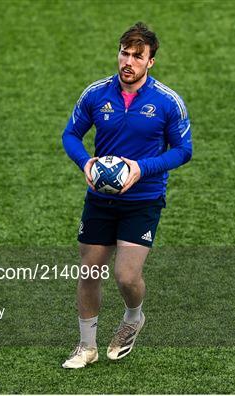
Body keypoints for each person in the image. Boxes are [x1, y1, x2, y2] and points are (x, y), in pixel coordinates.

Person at [61, 22, 192, 369]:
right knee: (89, 272)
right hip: (101, 199)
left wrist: (141, 168)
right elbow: (70, 135)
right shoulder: (95, 94)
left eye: (137, 56)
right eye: (124, 52)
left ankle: (133, 317)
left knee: (126, 277)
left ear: (150, 62)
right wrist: (85, 162)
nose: (128, 61)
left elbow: (183, 151)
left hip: (143, 200)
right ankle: (86, 346)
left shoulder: (167, 102)